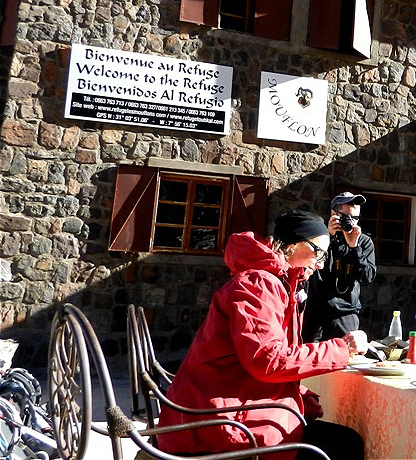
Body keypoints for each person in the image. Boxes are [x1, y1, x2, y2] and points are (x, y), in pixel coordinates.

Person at [155, 210, 369, 459]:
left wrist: (297, 395)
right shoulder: (258, 284)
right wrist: (341, 348)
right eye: (318, 252)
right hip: (215, 426)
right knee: (344, 444)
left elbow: (252, 358)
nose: (321, 263)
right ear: (291, 246)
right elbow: (268, 360)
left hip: (222, 409)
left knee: (340, 439)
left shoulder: (274, 283)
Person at [303, 192, 377, 341]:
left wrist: (354, 248)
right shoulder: (318, 237)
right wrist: (327, 237)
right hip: (316, 311)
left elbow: (367, 277)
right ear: (333, 214)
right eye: (346, 217)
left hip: (346, 313)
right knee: (310, 357)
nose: (351, 223)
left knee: (346, 360)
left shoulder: (363, 242)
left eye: (355, 218)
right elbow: (307, 266)